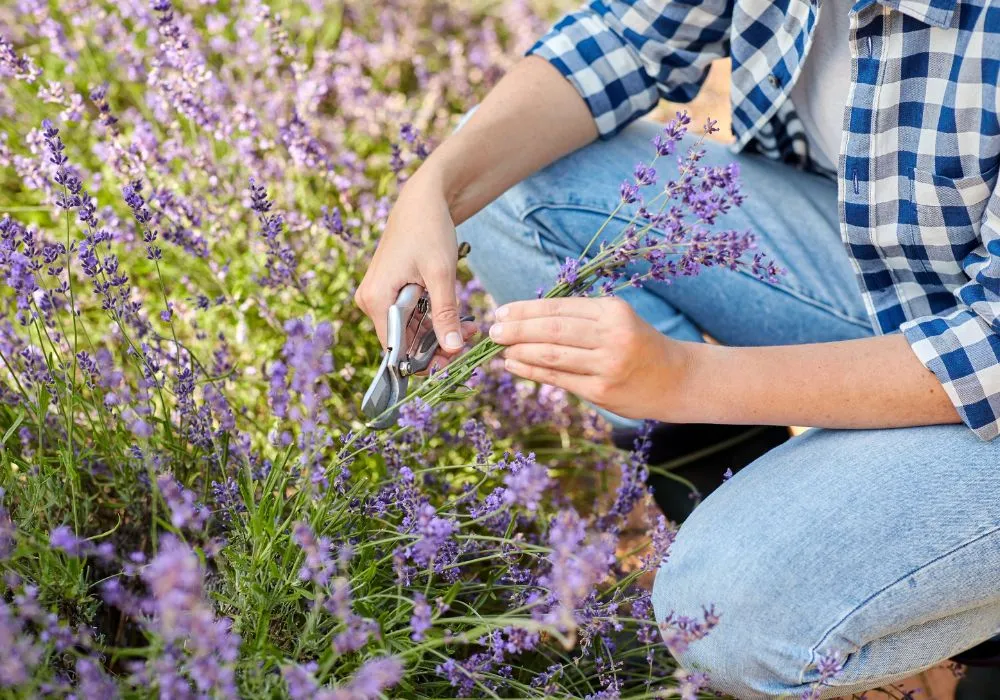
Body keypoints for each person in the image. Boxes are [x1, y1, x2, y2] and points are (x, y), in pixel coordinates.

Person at [355, 0, 1000, 697]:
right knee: (511, 176)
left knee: (726, 612)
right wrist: (432, 190)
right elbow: (622, 39)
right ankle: (807, 533)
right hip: (897, 279)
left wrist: (686, 378)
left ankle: (966, 643)